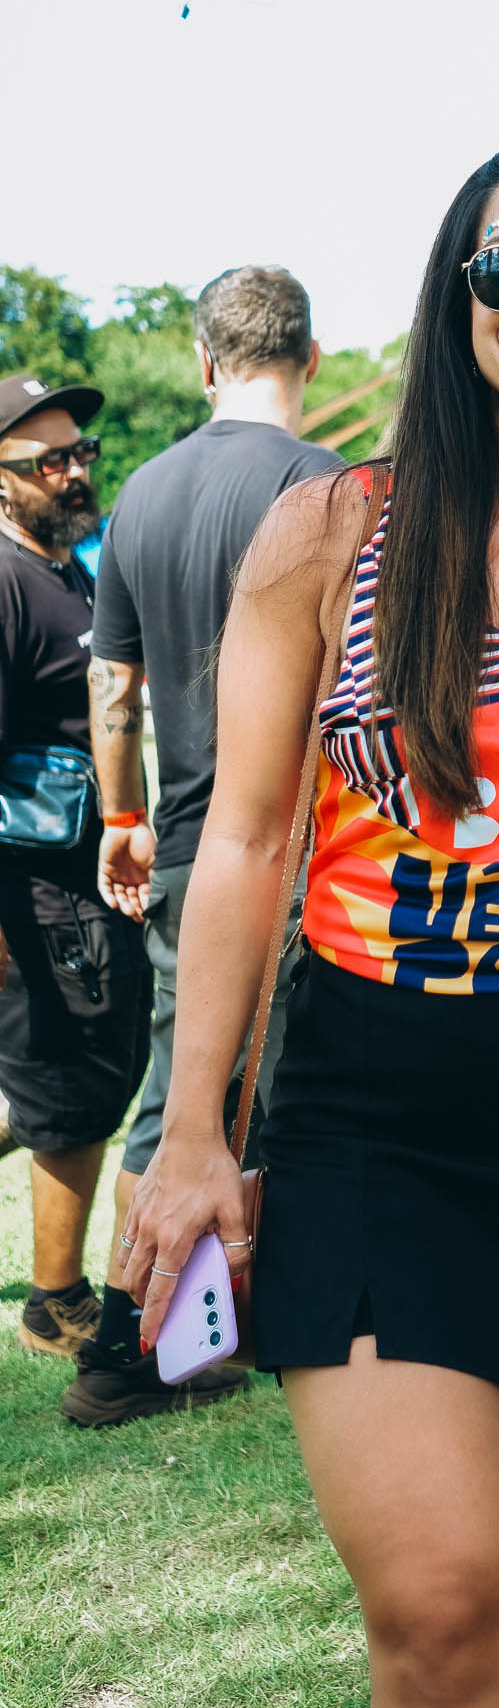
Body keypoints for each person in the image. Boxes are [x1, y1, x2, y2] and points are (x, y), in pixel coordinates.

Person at [122, 143, 499, 1708]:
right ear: (458, 298)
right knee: (450, 1609)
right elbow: (246, 839)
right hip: (375, 1119)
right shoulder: (332, 532)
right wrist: (194, 1133)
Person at [60, 266, 340, 1428]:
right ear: (309, 358)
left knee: (191, 1078)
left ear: (204, 361)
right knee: (251, 1088)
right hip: (303, 843)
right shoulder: (328, 485)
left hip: (181, 833)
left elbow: (112, 685)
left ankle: (206, 1326)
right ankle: (128, 1344)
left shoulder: (143, 492)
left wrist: (123, 818)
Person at [0, 373, 150, 1358]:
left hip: (89, 880)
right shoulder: (6, 581)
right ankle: (54, 1303)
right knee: (72, 1089)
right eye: (46, 459)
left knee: (82, 1077)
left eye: (80, 452)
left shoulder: (72, 568)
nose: (72, 470)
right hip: (36, 893)